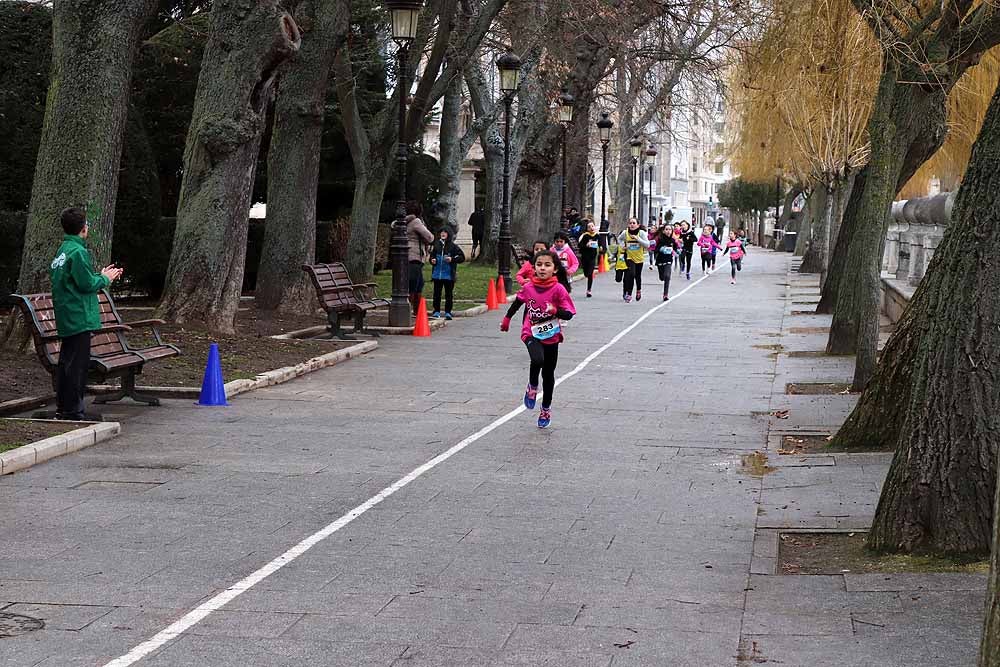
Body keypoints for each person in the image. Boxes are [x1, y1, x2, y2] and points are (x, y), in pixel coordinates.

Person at [50, 207, 123, 420]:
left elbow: (75, 280)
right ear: (84, 229)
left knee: (67, 363)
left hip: (67, 316)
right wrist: (105, 279)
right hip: (79, 317)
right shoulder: (79, 252)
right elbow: (86, 284)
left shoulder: (63, 250)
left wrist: (98, 276)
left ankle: (64, 407)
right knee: (77, 366)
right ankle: (73, 410)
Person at [500, 250, 576, 429]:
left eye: (547, 265)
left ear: (555, 269)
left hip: (552, 335)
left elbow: (569, 313)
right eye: (539, 264)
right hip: (531, 332)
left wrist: (555, 311)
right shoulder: (528, 287)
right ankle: (532, 386)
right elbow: (518, 302)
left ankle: (546, 409)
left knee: (548, 375)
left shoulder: (559, 289)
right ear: (533, 267)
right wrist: (507, 319)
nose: (542, 268)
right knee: (537, 359)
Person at [403, 201, 434, 315]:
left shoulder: (404, 221)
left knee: (418, 283)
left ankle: (417, 310)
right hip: (415, 256)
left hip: (406, 256)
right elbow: (429, 237)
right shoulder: (416, 222)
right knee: (415, 285)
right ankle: (411, 310)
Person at [429, 227, 465, 319]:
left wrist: (452, 259)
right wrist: (432, 260)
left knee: (448, 294)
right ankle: (436, 311)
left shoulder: (453, 246)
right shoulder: (437, 245)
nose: (443, 233)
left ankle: (448, 312)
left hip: (449, 275)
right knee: (437, 294)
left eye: (445, 232)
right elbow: (432, 257)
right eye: (441, 232)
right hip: (437, 274)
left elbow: (462, 257)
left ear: (449, 234)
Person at [617, 218, 649, 302]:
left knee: (637, 276)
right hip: (629, 257)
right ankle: (629, 294)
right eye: (630, 223)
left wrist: (638, 239)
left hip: (639, 258)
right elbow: (619, 239)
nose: (632, 225)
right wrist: (623, 245)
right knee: (631, 274)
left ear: (638, 225)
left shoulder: (641, 233)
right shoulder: (625, 232)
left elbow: (647, 245)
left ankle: (638, 290)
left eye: (634, 223)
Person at [654, 225, 678, 301]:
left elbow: (676, 249)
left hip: (668, 260)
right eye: (666, 229)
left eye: (670, 230)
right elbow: (655, 249)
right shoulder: (659, 239)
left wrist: (676, 251)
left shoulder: (673, 241)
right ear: (663, 231)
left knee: (667, 276)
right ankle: (662, 277)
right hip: (660, 261)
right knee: (662, 278)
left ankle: (665, 295)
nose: (668, 231)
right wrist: (661, 249)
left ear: (672, 231)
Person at [577, 220, 600, 297]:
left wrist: (601, 248)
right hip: (585, 257)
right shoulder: (585, 236)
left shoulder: (597, 236)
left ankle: (589, 290)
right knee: (586, 273)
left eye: (592, 226)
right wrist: (586, 245)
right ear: (587, 229)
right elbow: (580, 246)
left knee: (590, 274)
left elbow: (600, 244)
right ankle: (587, 274)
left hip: (592, 257)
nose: (591, 228)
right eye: (589, 227)